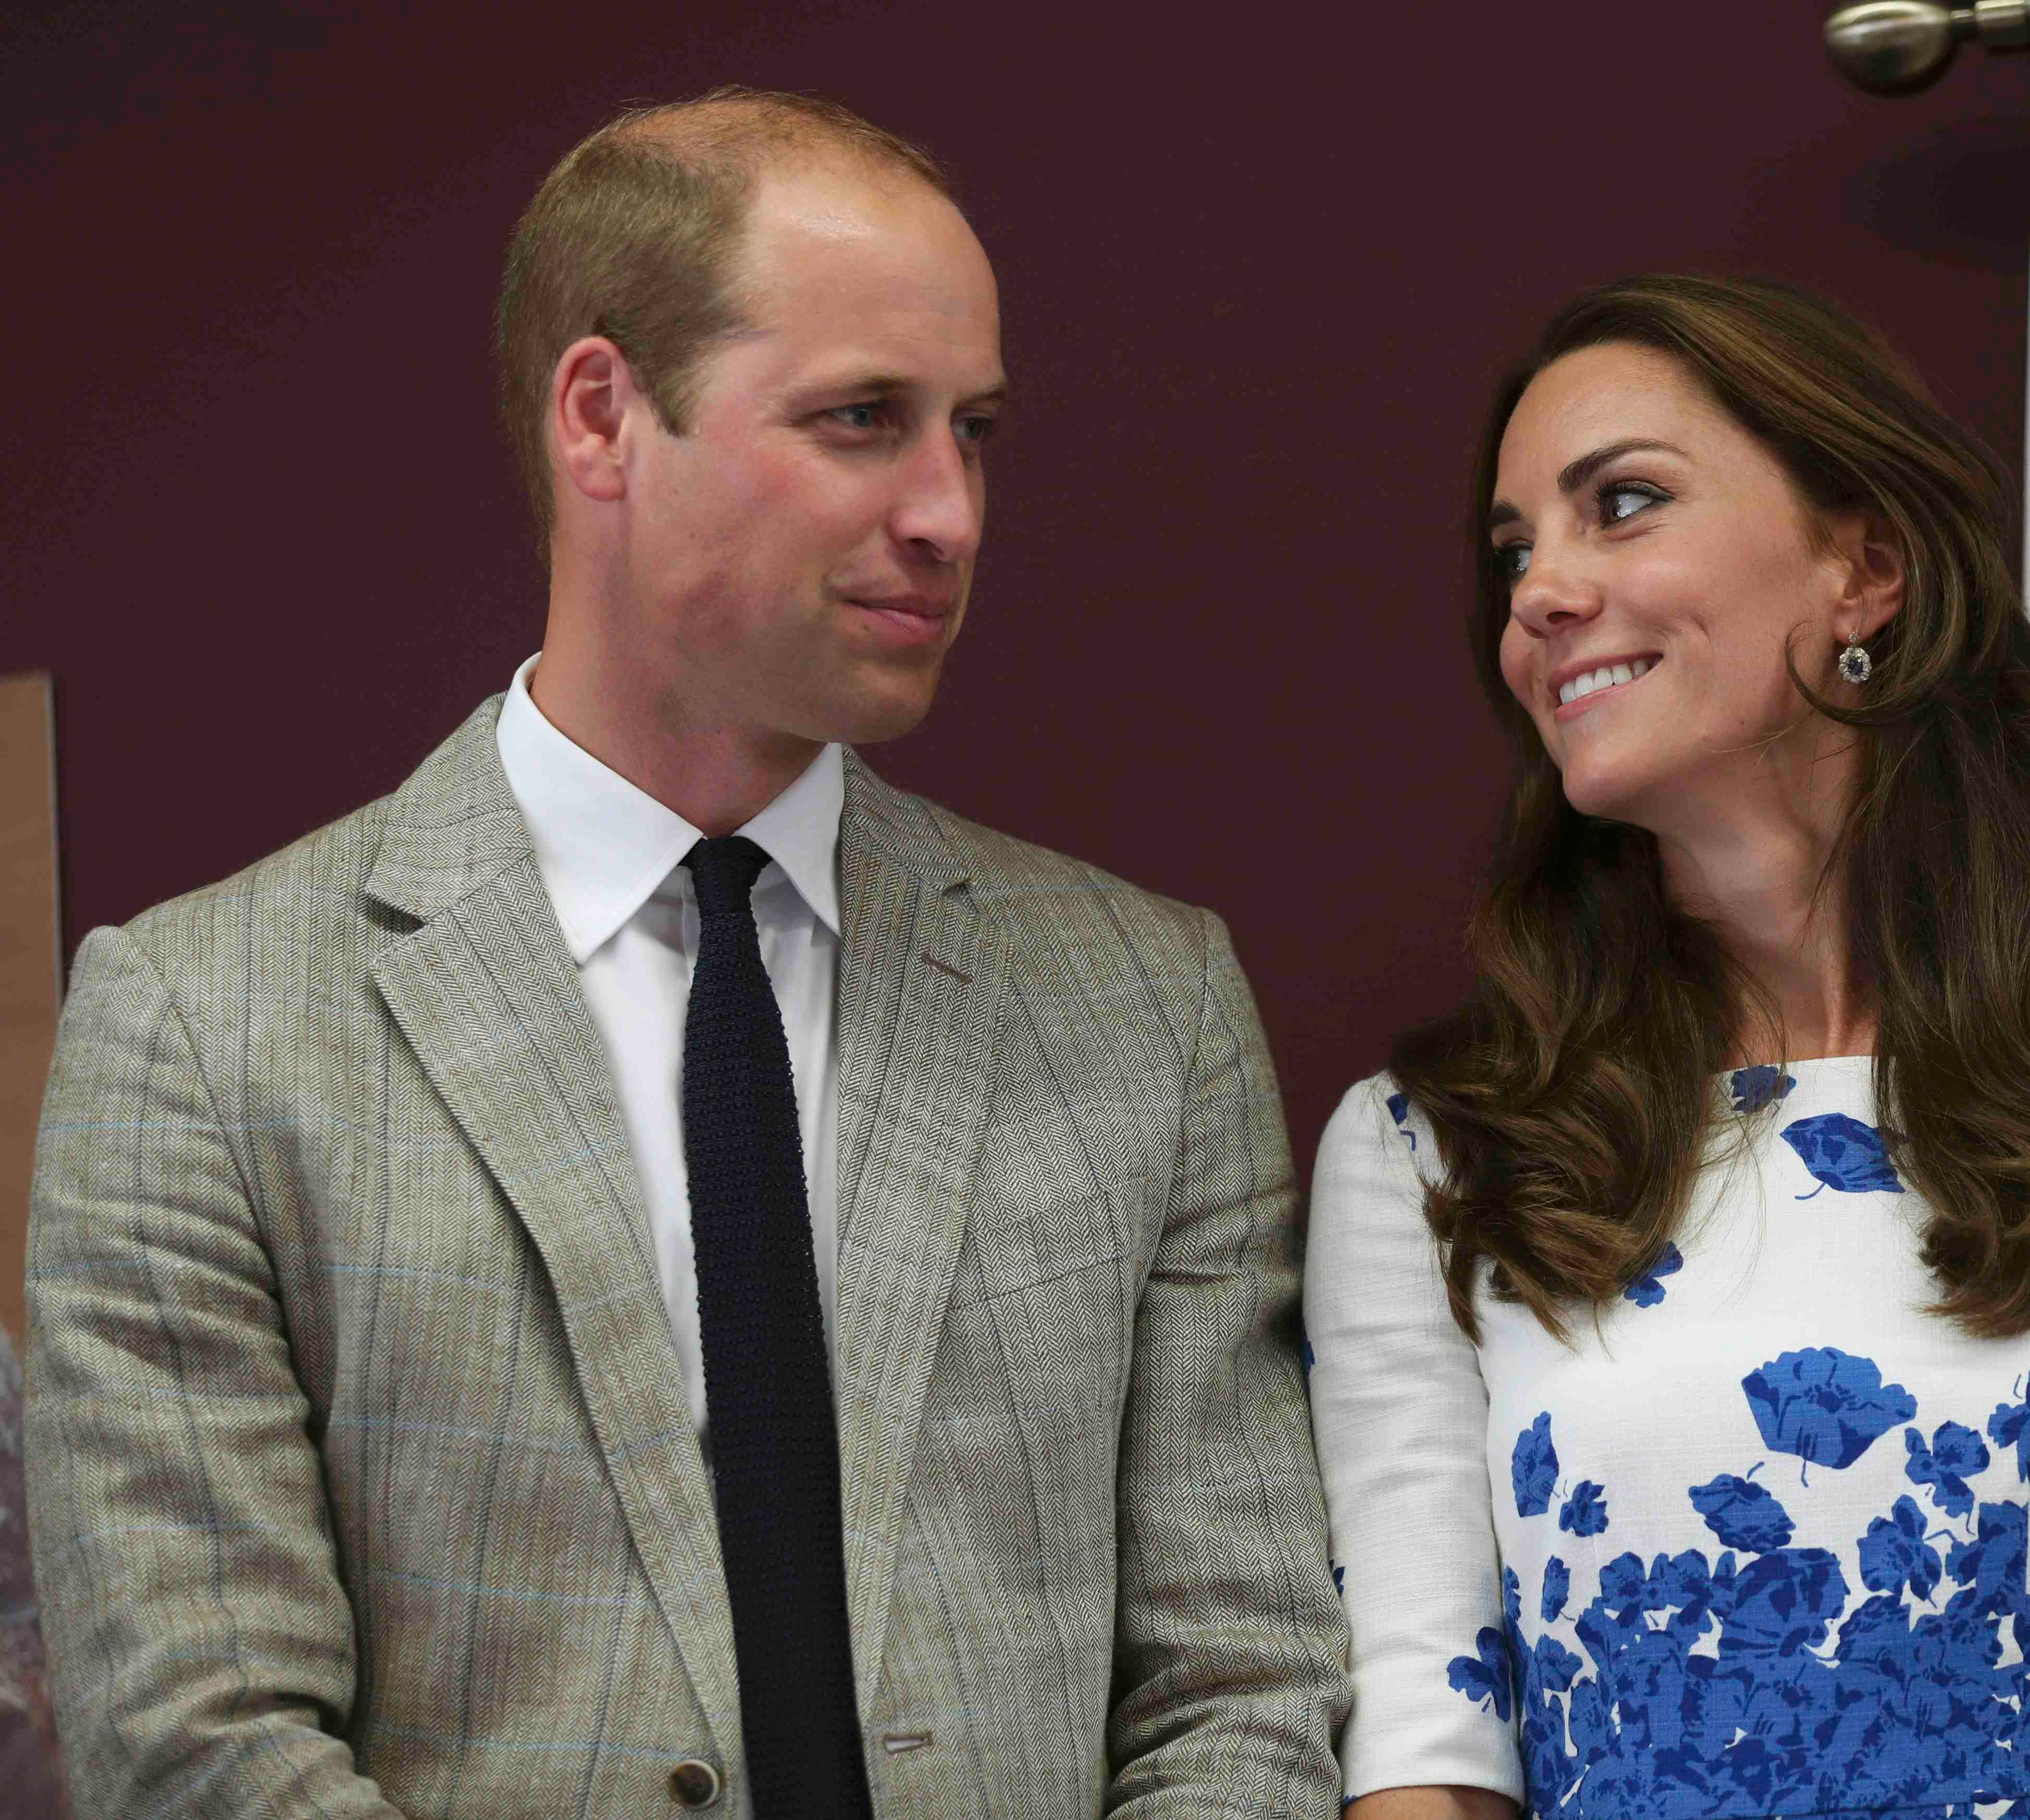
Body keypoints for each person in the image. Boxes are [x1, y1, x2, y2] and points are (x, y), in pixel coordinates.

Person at [24, 88, 1345, 1819]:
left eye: (977, 429)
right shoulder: (199, 1026)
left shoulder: (1143, 1003)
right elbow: (193, 1742)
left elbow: (1243, 1686)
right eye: (863, 420)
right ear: (602, 417)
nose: (952, 511)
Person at [1304, 276, 2030, 1819]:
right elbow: (1424, 1728)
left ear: (1863, 569)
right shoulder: (1432, 1146)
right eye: (1512, 549)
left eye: (1620, 505)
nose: (1539, 590)